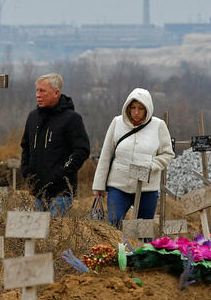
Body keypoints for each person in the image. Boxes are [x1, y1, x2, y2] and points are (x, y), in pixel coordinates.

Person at [92, 88, 174, 227]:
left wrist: (151, 165)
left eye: (141, 108)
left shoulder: (158, 126)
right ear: (128, 108)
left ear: (147, 109)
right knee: (114, 223)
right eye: (133, 108)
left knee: (143, 230)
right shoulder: (117, 122)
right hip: (118, 186)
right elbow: (106, 155)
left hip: (146, 189)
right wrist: (98, 185)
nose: (136, 112)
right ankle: (117, 249)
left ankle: (141, 249)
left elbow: (168, 154)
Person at [20, 73, 90, 216]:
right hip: (38, 193)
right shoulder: (32, 117)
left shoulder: (72, 119)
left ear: (56, 93)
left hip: (61, 193)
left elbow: (82, 150)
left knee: (56, 235)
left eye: (42, 91)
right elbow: (25, 146)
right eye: (37, 90)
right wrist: (26, 171)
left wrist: (61, 173)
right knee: (37, 236)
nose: (38, 95)